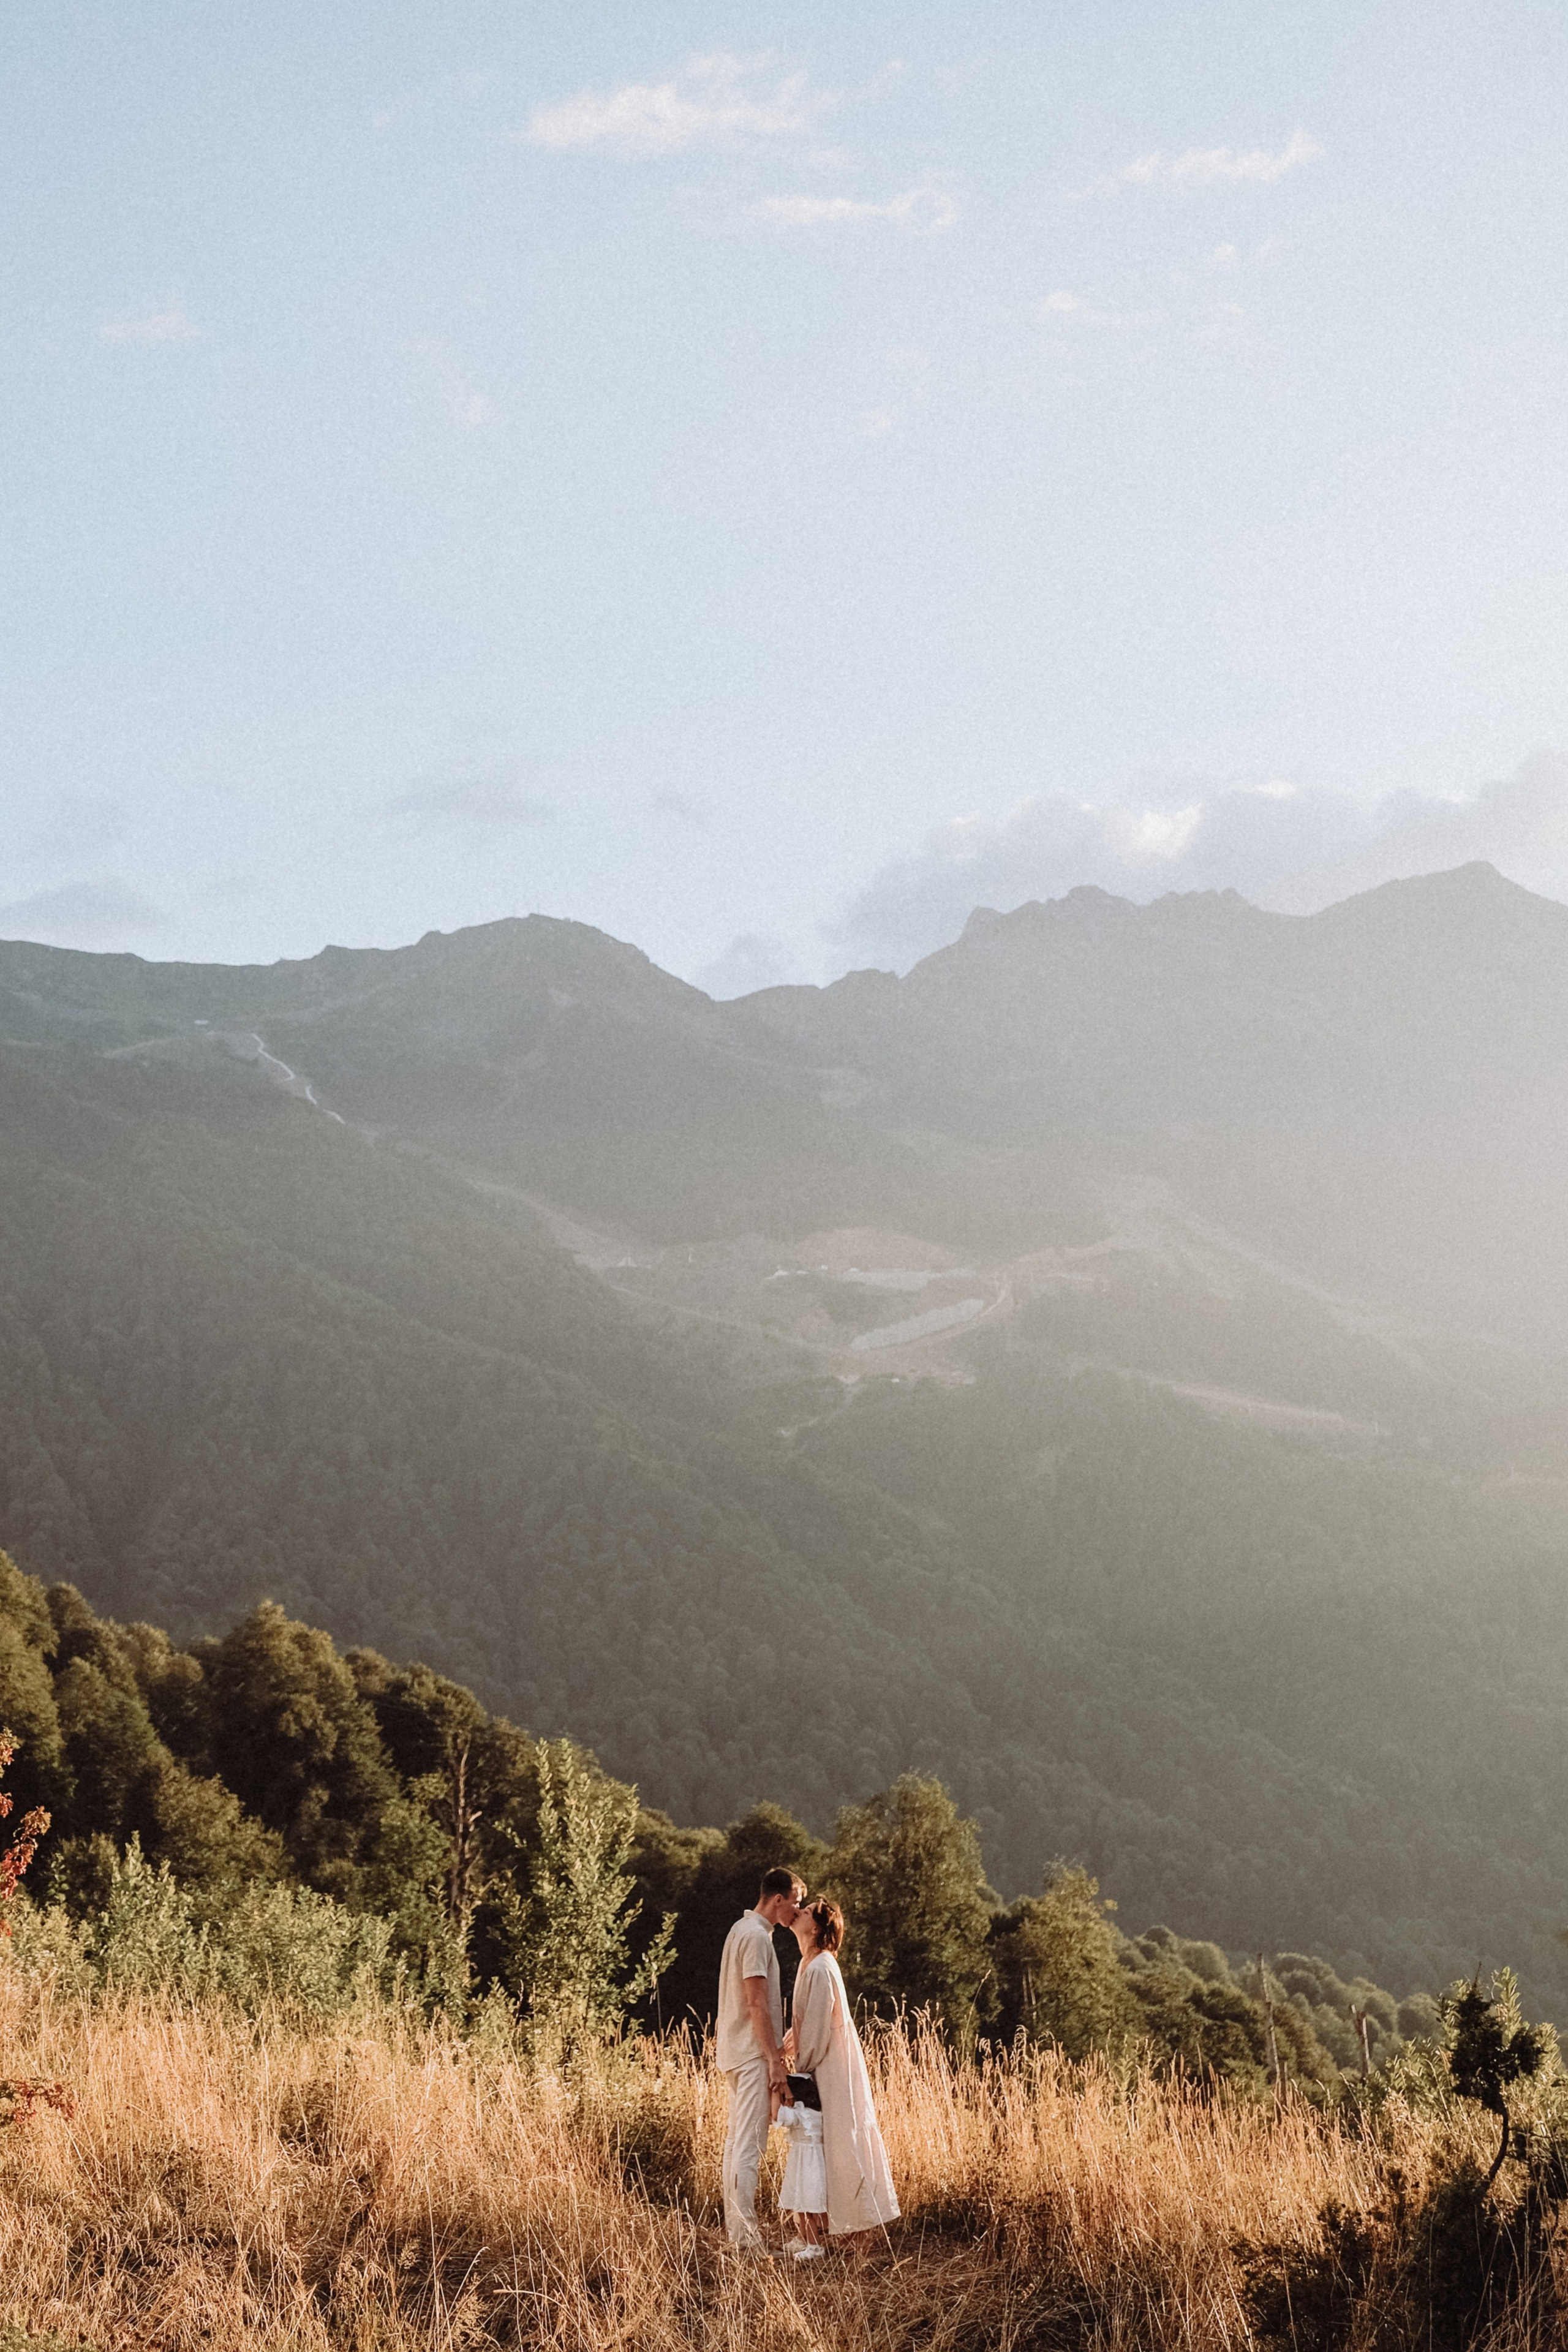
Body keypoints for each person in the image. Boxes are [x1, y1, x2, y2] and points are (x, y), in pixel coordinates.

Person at [783, 1896, 899, 2250]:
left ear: (816, 1928)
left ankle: (855, 2232)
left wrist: (799, 2072)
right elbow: (804, 2025)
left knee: (840, 2141)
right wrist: (782, 2049)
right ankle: (823, 2231)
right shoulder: (810, 1963)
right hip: (825, 2063)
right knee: (825, 2145)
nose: (798, 1912)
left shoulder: (820, 1967)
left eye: (805, 1912)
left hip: (832, 2066)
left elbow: (816, 2029)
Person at [716, 1866, 805, 2250]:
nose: (797, 1914)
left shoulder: (742, 1929)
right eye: (796, 1904)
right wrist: (774, 2058)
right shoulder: (755, 1937)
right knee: (749, 2146)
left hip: (737, 2052)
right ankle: (745, 2239)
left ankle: (738, 2234)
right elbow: (756, 2002)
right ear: (778, 1899)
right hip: (752, 2055)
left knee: (737, 2144)